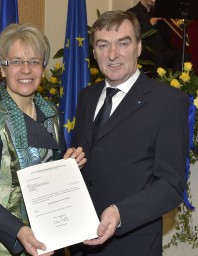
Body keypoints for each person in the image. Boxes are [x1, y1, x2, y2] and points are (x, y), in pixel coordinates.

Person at [72, 10, 189, 256]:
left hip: (132, 244)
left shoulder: (168, 102)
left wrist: (120, 213)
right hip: (81, 242)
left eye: (122, 43)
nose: (112, 55)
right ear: (94, 52)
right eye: (103, 45)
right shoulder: (86, 97)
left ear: (138, 47)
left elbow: (170, 185)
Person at [0, 23, 86, 256]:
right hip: (6, 244)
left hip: (52, 238)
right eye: (16, 61)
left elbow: (53, 174)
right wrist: (19, 231)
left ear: (43, 67)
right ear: (2, 68)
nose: (26, 70)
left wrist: (69, 165)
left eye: (34, 61)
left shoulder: (50, 111)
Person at [127, 0, 184, 73]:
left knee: (182, 56)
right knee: (159, 59)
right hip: (145, 53)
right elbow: (135, 38)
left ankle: (176, 82)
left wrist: (169, 20)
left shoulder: (158, 12)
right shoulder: (131, 13)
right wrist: (152, 22)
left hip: (162, 51)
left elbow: (167, 37)